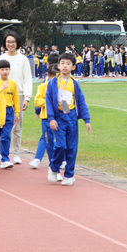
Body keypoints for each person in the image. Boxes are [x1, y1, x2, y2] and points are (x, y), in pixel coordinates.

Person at [46, 53, 92, 186]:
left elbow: (81, 102)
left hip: (71, 116)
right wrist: (51, 118)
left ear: (73, 67)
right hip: (58, 117)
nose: (65, 66)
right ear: (58, 65)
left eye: (68, 64)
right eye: (62, 63)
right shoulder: (52, 82)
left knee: (72, 147)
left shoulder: (74, 83)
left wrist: (86, 119)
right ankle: (54, 168)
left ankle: (69, 175)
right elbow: (48, 101)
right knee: (60, 146)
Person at [0, 31, 32, 165]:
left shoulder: (23, 59)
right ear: (4, 43)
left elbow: (27, 79)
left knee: (17, 126)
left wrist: (27, 97)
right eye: (8, 42)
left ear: (17, 43)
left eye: (13, 42)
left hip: (19, 95)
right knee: (0, 124)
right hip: (2, 95)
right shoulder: (0, 59)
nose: (10, 44)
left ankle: (16, 153)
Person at [29, 64, 58, 169]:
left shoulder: (62, 87)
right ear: (48, 75)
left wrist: (66, 112)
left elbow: (65, 102)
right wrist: (48, 102)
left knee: (61, 140)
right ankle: (50, 164)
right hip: (46, 118)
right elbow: (37, 101)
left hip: (60, 118)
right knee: (47, 140)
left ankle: (61, 160)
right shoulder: (43, 87)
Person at [0, 60, 20, 168]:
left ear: (9, 70)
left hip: (9, 111)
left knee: (6, 135)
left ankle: (5, 158)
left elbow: (16, 99)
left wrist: (17, 113)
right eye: (2, 69)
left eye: (7, 69)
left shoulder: (13, 83)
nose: (5, 71)